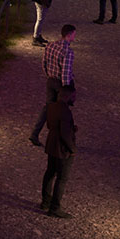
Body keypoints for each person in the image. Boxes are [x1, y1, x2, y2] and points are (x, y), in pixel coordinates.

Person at [30, 24, 76, 146]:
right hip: (61, 84)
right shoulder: (67, 52)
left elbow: (43, 63)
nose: (74, 37)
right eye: (74, 35)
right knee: (63, 112)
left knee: (47, 108)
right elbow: (66, 73)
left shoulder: (51, 45)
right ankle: (64, 139)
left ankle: (35, 133)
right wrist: (67, 89)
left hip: (51, 81)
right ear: (69, 35)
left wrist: (49, 76)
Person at [41, 87, 77, 219]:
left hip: (51, 144)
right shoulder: (66, 112)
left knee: (50, 172)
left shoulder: (51, 106)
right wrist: (72, 149)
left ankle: (45, 201)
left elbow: (51, 125)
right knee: (62, 178)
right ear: (68, 97)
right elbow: (65, 134)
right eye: (73, 96)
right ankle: (55, 208)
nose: (74, 99)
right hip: (62, 149)